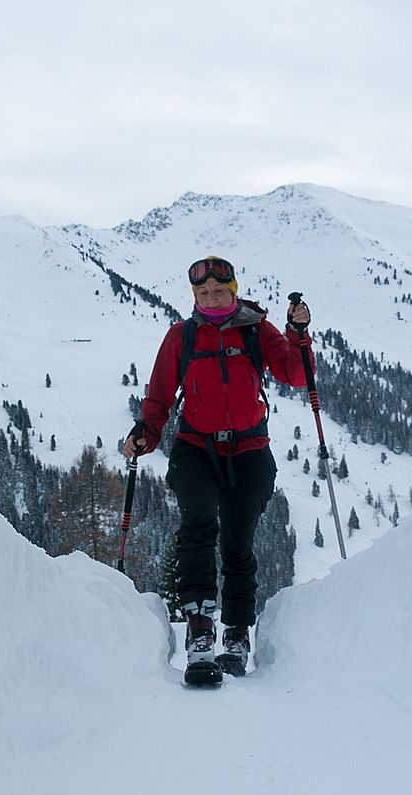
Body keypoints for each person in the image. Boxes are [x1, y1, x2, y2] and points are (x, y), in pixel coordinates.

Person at [122, 256, 311, 681]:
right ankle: (200, 628)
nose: (211, 297)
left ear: (233, 290)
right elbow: (159, 398)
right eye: (203, 292)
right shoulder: (181, 336)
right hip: (196, 448)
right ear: (195, 296)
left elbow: (294, 375)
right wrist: (144, 436)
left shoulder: (257, 330)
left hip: (249, 450)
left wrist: (298, 336)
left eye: (219, 291)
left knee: (238, 543)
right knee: (199, 527)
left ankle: (237, 632)